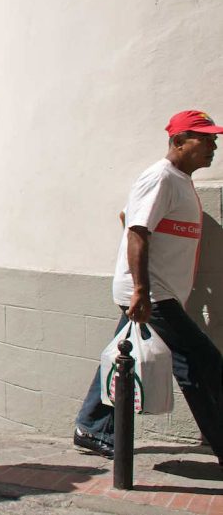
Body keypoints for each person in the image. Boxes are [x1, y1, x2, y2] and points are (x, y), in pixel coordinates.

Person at [74, 110, 223, 467]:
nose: (213, 146)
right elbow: (137, 230)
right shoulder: (160, 177)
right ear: (178, 141)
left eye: (214, 139)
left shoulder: (178, 179)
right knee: (202, 364)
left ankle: (91, 426)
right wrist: (141, 289)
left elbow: (129, 216)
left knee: (121, 355)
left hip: (156, 291)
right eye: (204, 139)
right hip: (152, 294)